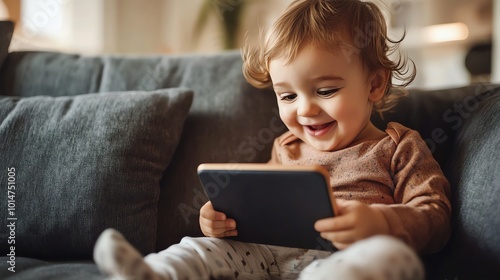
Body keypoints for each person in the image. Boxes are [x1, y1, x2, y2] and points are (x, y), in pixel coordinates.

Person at [93, 0, 451, 279]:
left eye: (325, 90)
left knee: (393, 258)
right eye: (288, 96)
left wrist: (382, 224)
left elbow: (436, 219)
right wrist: (219, 218)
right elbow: (256, 206)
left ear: (374, 84)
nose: (305, 109)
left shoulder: (398, 147)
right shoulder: (286, 147)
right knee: (202, 247)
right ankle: (155, 273)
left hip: (347, 259)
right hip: (267, 258)